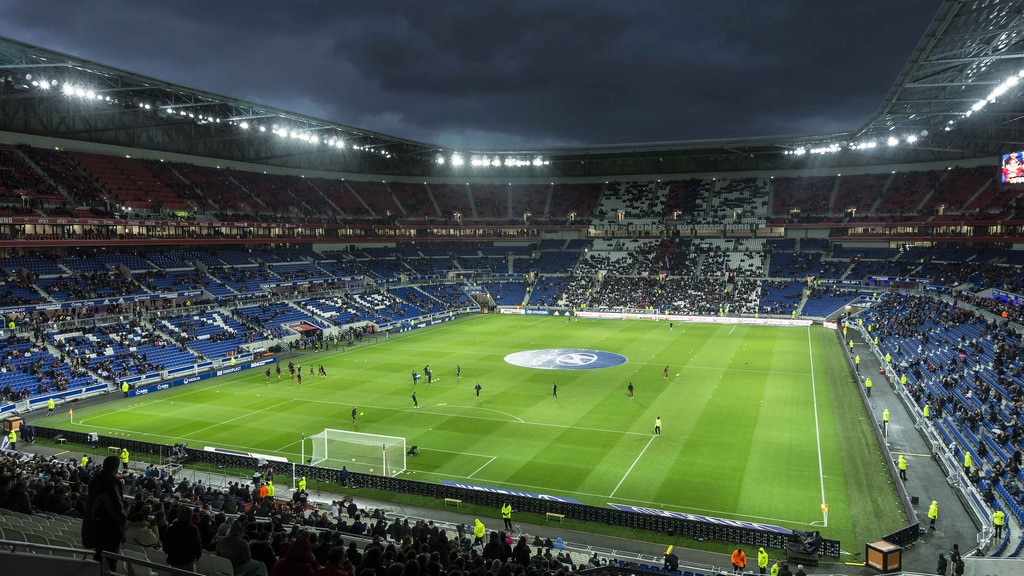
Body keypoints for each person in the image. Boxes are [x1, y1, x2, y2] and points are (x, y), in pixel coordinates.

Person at [82, 454, 127, 570]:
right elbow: (114, 507)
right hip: (108, 529)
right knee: (110, 561)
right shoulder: (111, 484)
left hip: (95, 525)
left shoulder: (95, 479)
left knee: (99, 558)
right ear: (116, 467)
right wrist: (123, 519)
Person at [163, 505, 203, 572]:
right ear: (190, 516)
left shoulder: (171, 528)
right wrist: (198, 555)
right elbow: (197, 545)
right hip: (187, 560)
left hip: (173, 559)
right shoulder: (193, 529)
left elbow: (166, 545)